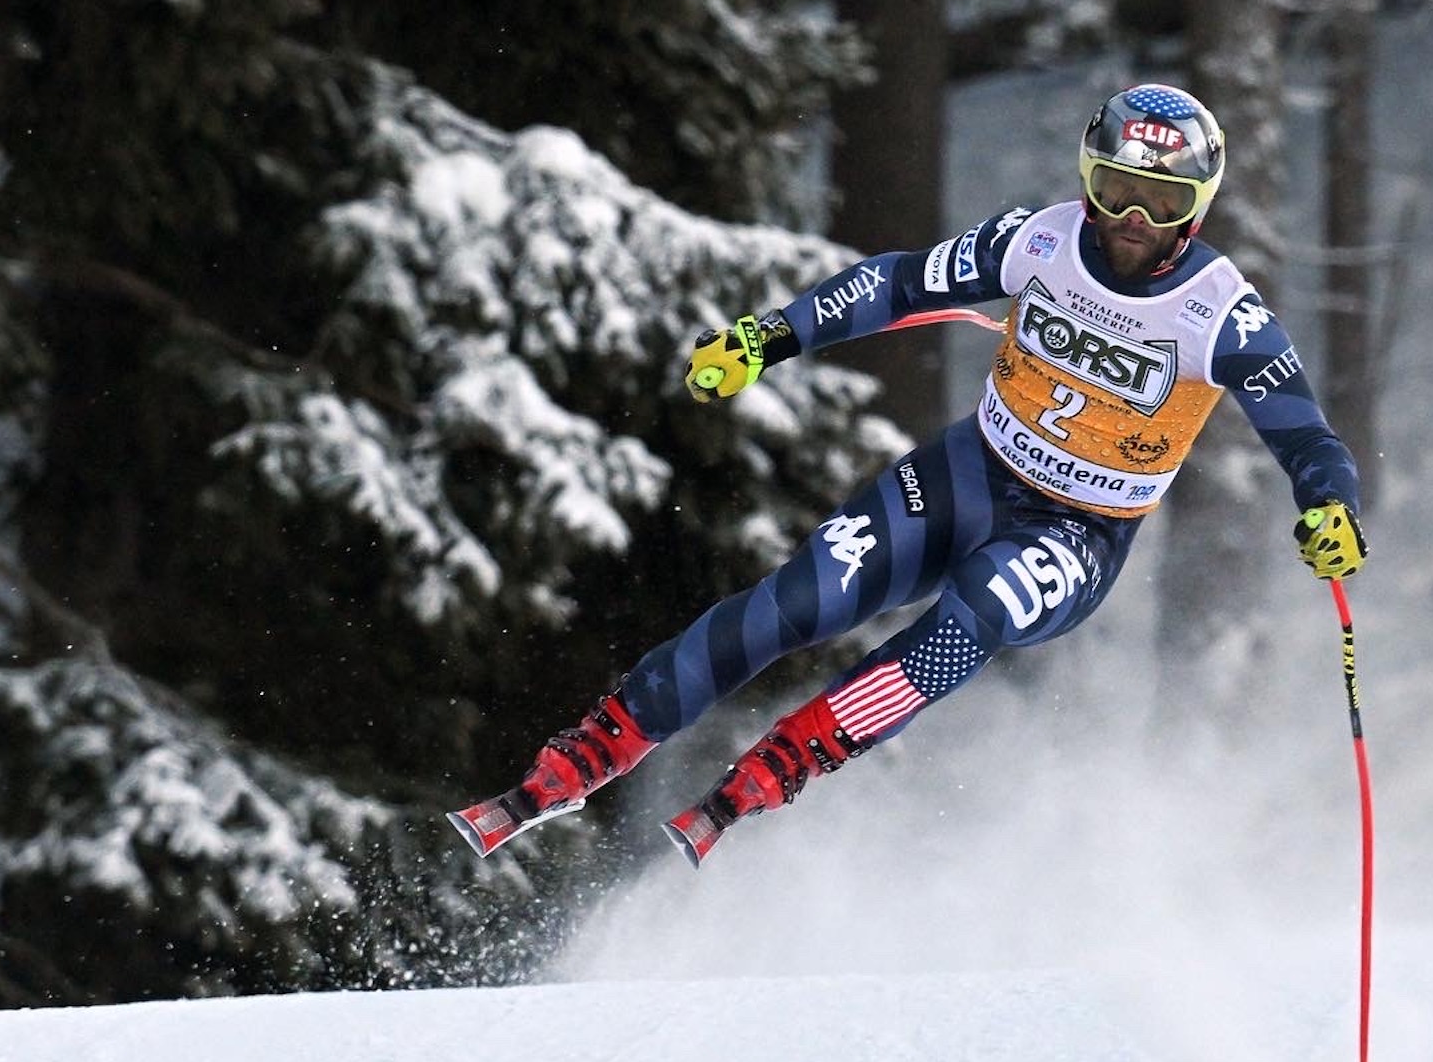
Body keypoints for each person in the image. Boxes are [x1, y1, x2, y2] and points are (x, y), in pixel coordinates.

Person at [449, 83, 1367, 867]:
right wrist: (769, 338)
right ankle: (596, 749)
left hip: (1075, 532)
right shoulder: (1036, 240)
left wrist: (1332, 510)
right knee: (801, 601)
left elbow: (1308, 439)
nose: (1133, 222)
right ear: (1088, 178)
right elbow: (897, 285)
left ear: (1197, 209)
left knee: (976, 610)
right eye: (1119, 190)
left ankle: (785, 763)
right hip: (970, 470)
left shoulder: (1223, 315)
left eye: (1160, 204)